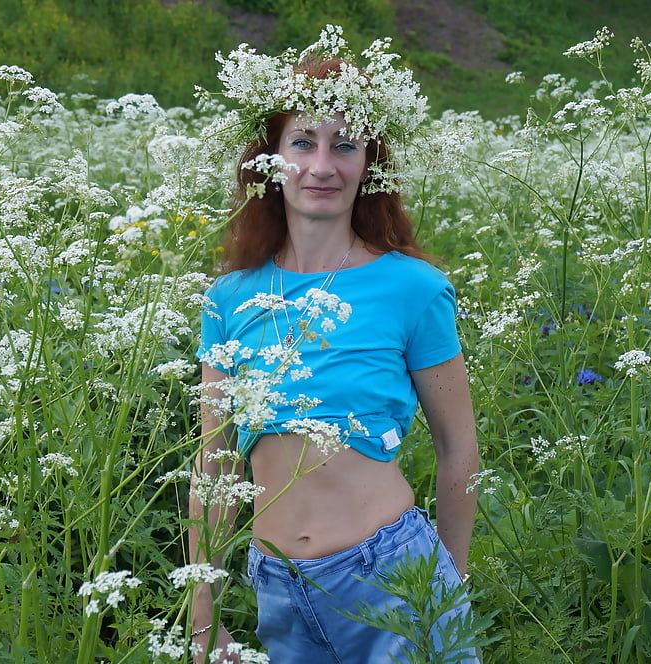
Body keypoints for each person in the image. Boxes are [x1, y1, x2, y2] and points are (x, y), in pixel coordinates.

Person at [189, 28, 480, 664]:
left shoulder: (413, 288)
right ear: (268, 160)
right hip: (277, 591)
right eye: (302, 142)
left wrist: (449, 589)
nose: (322, 166)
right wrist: (202, 616)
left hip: (392, 582)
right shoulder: (230, 297)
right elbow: (214, 467)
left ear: (368, 165)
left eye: (344, 145)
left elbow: (459, 451)